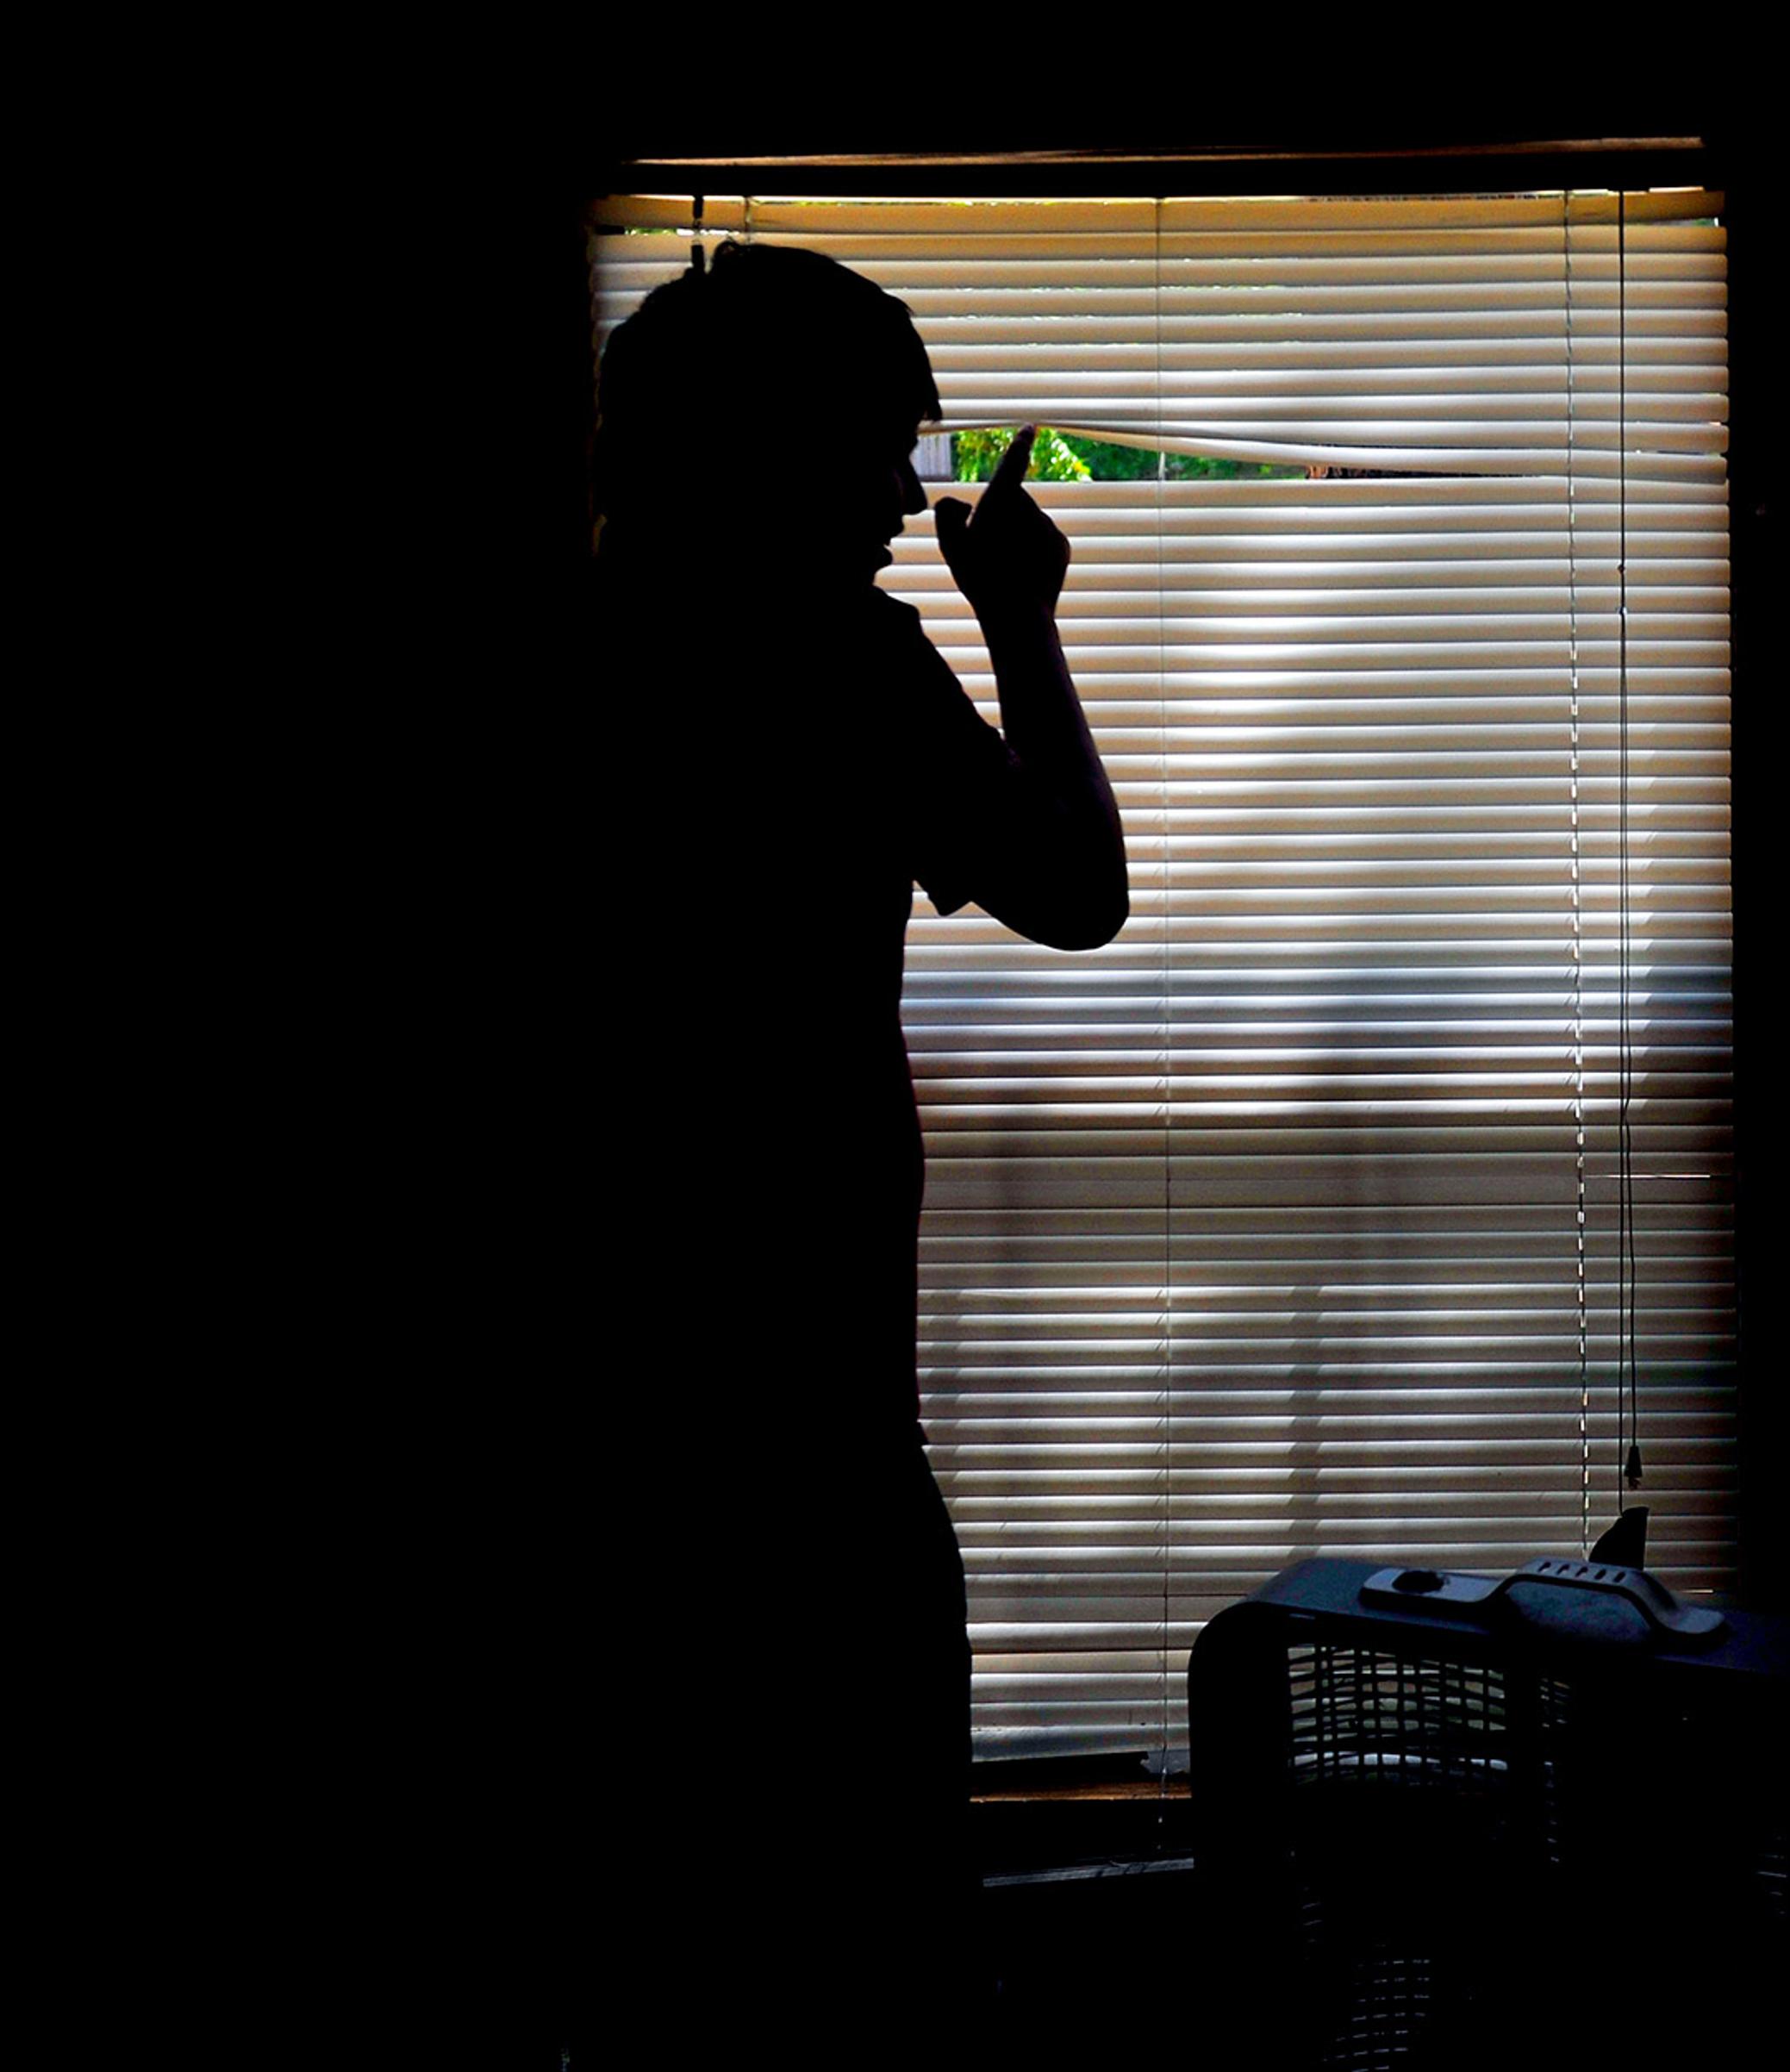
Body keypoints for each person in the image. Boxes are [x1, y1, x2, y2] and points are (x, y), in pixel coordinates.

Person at [552, 240, 1127, 2062]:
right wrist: (1021, 617)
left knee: (658, 1955)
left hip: (602, 1438)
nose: (907, 489)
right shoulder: (835, 665)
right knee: (864, 1955)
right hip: (809, 1440)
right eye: (884, 445)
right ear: (773, 451)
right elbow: (1077, 893)